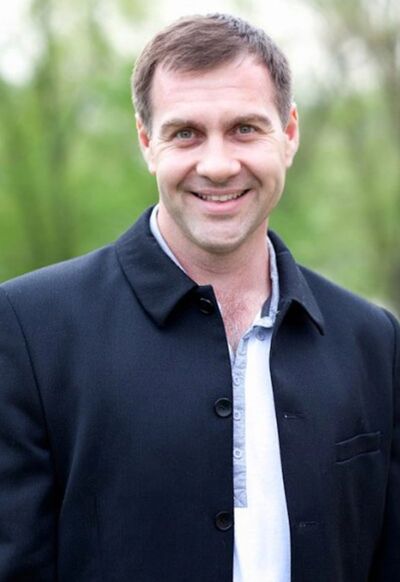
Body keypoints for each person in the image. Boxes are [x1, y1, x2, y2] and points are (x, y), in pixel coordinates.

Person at [0, 13, 398, 582]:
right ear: (147, 142)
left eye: (245, 129)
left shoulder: (375, 341)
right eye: (186, 132)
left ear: (289, 134)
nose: (217, 165)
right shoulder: (28, 329)